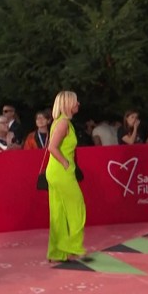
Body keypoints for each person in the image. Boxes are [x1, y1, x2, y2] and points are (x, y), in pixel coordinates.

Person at [46, 91, 87, 262]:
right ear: (68, 103)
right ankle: (73, 248)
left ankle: (57, 252)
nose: (78, 104)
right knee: (77, 208)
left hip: (55, 172)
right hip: (61, 172)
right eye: (76, 101)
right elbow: (52, 147)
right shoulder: (63, 123)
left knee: (59, 213)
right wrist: (66, 164)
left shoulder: (60, 122)